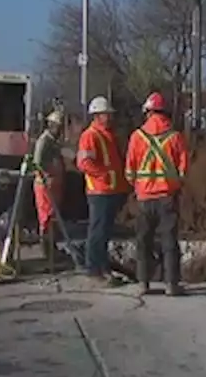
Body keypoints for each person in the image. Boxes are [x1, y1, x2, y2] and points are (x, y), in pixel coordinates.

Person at [124, 92, 189, 297]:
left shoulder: (137, 137)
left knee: (143, 240)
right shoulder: (175, 136)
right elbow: (183, 169)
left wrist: (138, 186)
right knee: (169, 241)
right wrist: (174, 185)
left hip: (144, 198)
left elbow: (129, 171)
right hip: (167, 198)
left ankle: (143, 283)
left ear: (148, 111)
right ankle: (171, 284)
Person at [76, 96, 129, 285]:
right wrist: (103, 175)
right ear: (97, 116)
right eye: (106, 114)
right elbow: (84, 163)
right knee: (97, 231)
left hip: (110, 190)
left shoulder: (108, 135)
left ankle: (103, 266)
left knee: (104, 231)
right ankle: (93, 268)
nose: (110, 117)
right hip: (99, 191)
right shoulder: (90, 135)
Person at [32, 110, 69, 264]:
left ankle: (52, 248)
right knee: (46, 218)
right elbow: (37, 163)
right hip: (45, 185)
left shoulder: (54, 141)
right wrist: (46, 175)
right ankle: (47, 252)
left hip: (54, 184)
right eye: (58, 127)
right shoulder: (44, 140)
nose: (60, 130)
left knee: (53, 218)